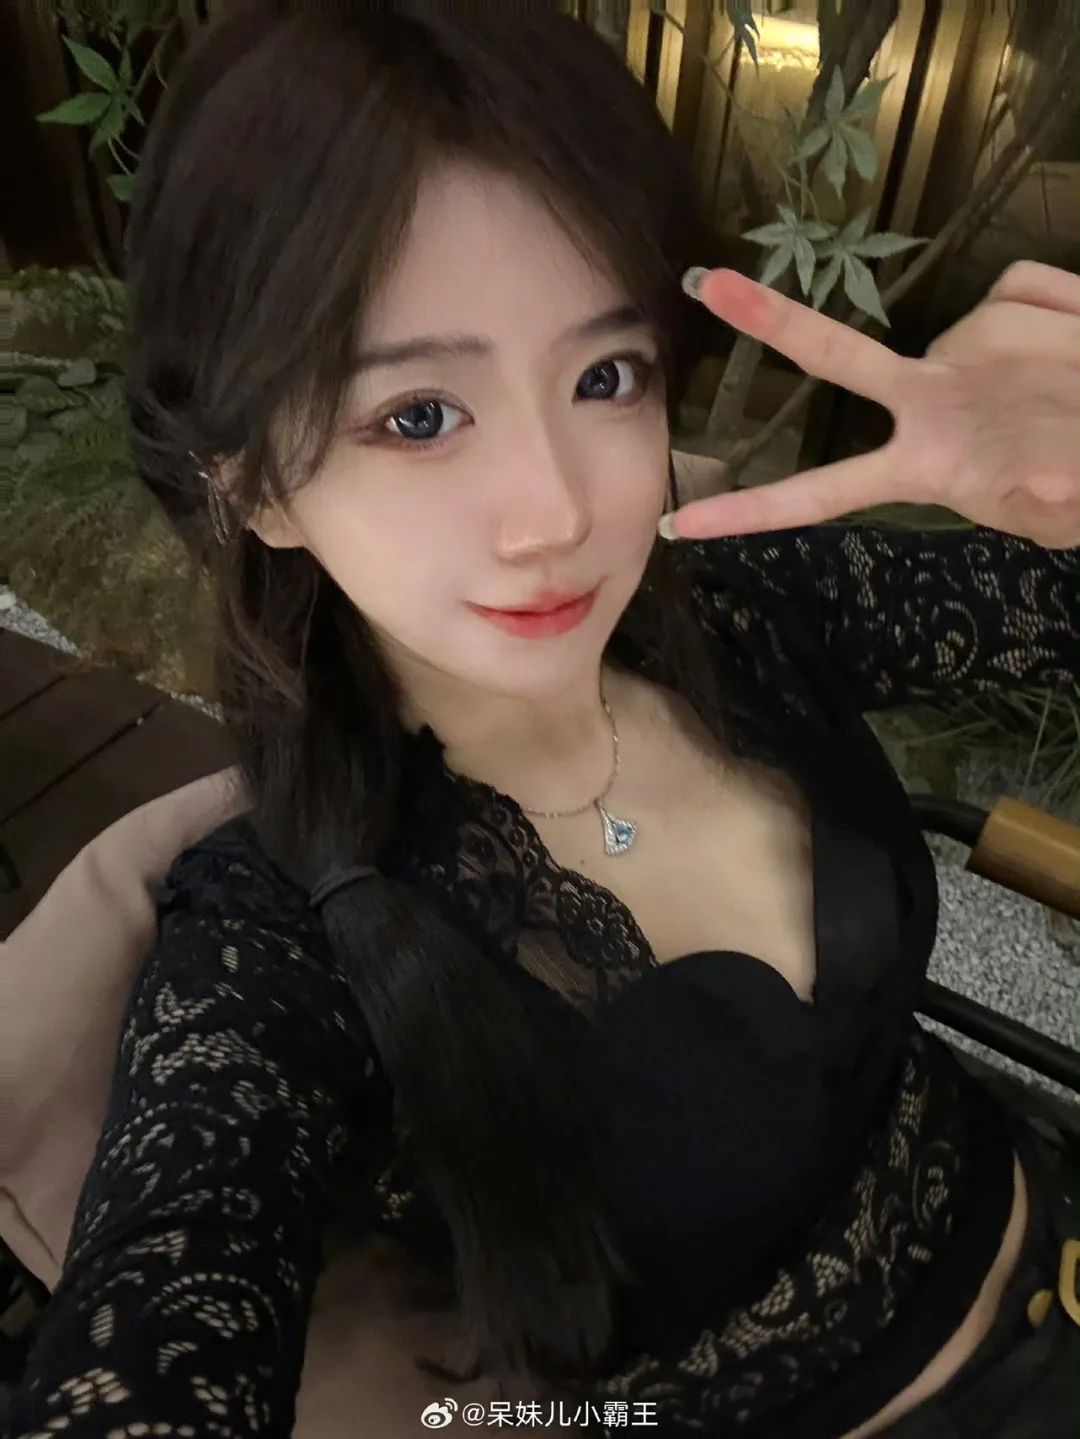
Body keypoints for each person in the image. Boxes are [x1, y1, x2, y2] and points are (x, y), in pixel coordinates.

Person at [6, 7, 1080, 1438]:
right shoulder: (276, 943)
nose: (560, 514)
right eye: (418, 416)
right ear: (253, 488)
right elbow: (169, 1301)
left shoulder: (742, 616)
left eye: (604, 376)